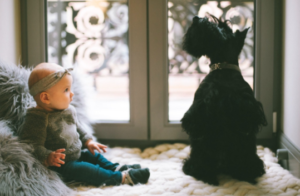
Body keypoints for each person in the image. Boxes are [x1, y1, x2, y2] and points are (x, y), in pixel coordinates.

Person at [19, 62, 150, 186]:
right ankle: (122, 178)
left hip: (77, 153)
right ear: (45, 98)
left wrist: (88, 141)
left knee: (95, 156)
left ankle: (116, 168)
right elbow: (31, 144)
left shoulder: (68, 110)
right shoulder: (37, 118)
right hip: (63, 165)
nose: (72, 93)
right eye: (66, 90)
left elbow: (77, 128)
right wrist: (47, 156)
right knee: (88, 170)